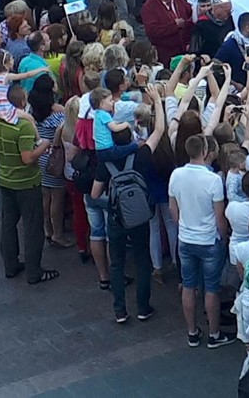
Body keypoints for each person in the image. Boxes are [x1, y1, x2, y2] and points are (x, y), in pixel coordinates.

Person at [90, 88, 166, 323]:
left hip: (116, 217)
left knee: (118, 262)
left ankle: (120, 310)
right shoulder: (141, 154)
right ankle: (143, 307)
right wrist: (157, 102)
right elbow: (160, 130)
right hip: (140, 215)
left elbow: (94, 194)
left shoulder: (106, 162)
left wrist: (112, 203)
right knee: (143, 259)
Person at [0, 84, 59, 285]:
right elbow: (27, 158)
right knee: (32, 227)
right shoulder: (23, 126)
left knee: (8, 223)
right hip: (27, 182)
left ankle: (10, 265)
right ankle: (34, 272)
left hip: (5, 179)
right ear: (23, 102)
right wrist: (44, 145)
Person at [169, 132, 231, 348]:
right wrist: (223, 238)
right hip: (209, 240)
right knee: (211, 288)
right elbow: (219, 216)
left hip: (186, 239)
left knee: (188, 286)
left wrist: (182, 228)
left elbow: (172, 208)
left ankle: (192, 332)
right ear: (205, 152)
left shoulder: (176, 175)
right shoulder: (213, 180)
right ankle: (214, 334)